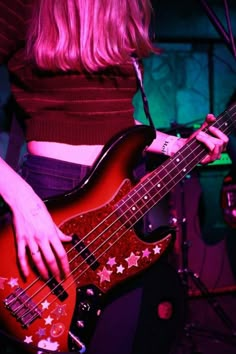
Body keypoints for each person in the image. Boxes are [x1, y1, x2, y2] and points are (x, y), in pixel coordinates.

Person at [0, 1, 229, 353]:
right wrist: (22, 200)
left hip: (123, 207)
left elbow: (117, 122)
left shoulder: (125, 8)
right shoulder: (24, 6)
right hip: (52, 201)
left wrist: (178, 146)